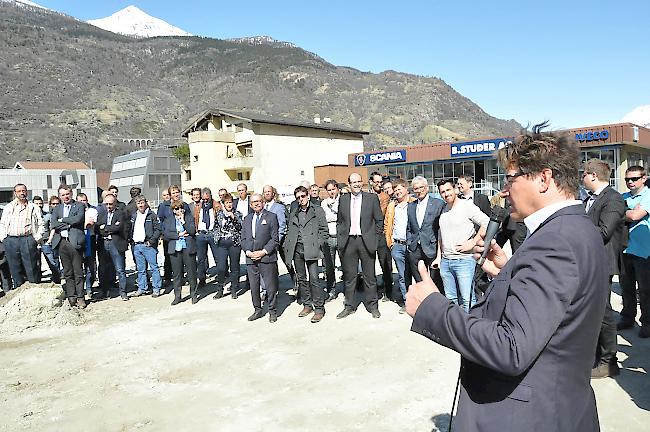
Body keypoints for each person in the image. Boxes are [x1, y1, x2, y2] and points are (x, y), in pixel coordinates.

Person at [406, 123, 609, 431]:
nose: (504, 189)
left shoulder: (556, 241)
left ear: (544, 179)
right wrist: (508, 272)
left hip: (531, 415)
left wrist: (432, 308)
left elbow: (511, 348)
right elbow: (560, 304)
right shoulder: (576, 228)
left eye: (511, 179)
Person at [582, 159, 626, 378]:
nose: (582, 178)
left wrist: (576, 235)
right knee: (593, 310)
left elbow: (603, 233)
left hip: (602, 262)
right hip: (589, 262)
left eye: (584, 174)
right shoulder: (589, 199)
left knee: (604, 312)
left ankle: (610, 362)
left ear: (592, 176)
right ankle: (597, 355)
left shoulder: (613, 199)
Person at [436, 178, 489, 312]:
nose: (446, 194)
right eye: (442, 192)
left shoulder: (466, 206)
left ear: (454, 189)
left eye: (448, 190)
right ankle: (455, 328)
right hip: (446, 262)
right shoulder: (444, 210)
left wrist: (472, 242)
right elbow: (440, 235)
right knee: (450, 299)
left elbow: (486, 222)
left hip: (464, 261)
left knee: (468, 300)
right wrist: (439, 258)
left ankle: (470, 329)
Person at [336, 173, 383, 319]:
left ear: (362, 183)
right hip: (349, 242)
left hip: (366, 242)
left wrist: (374, 239)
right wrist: (341, 237)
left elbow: (379, 221)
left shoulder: (371, 198)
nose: (356, 184)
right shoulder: (343, 200)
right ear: (349, 184)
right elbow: (340, 221)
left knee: (369, 277)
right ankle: (349, 306)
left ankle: (372, 306)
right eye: (353, 182)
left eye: (358, 181)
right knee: (350, 277)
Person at [284, 186, 329, 323]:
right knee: (302, 278)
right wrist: (288, 245)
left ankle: (319, 308)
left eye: (303, 196)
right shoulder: (294, 212)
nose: (301, 199)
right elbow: (290, 230)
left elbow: (324, 230)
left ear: (308, 196)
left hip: (311, 248)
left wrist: (317, 243)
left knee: (314, 279)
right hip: (297, 249)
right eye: (298, 197)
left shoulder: (317, 210)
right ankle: (307, 304)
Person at [617, 165, 650, 338]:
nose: (630, 182)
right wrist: (628, 211)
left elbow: (636, 216)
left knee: (645, 290)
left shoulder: (648, 196)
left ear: (644, 179)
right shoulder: (623, 197)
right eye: (627, 179)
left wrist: (622, 212)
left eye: (634, 179)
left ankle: (647, 323)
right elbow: (623, 214)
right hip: (624, 249)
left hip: (644, 251)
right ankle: (627, 318)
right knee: (626, 287)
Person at [241, 193, 280, 322]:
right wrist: (247, 251)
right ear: (250, 205)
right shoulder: (247, 219)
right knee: (254, 286)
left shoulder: (271, 217)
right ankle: (257, 309)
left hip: (266, 257)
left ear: (263, 202)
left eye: (258, 201)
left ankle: (272, 311)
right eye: (253, 202)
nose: (256, 203)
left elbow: (275, 239)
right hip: (251, 258)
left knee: (270, 286)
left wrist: (263, 252)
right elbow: (244, 238)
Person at [0, 183, 44, 287]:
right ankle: (19, 291)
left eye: (23, 191)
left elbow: (41, 223)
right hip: (11, 240)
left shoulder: (33, 207)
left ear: (27, 192)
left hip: (28, 239)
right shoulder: (9, 207)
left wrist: (36, 238)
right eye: (19, 191)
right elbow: (2, 224)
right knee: (15, 268)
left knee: (31, 268)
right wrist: (4, 239)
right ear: (15, 193)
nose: (22, 193)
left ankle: (33, 290)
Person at [406, 176, 445, 291]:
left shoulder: (438, 204)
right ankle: (425, 303)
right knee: (420, 281)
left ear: (427, 188)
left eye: (421, 187)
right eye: (416, 188)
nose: (419, 191)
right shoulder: (411, 206)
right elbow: (409, 227)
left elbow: (440, 228)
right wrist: (410, 243)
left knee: (435, 281)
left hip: (432, 248)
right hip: (415, 249)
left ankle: (438, 305)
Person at [50, 185, 86, 307]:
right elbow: (54, 224)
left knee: (78, 271)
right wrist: (68, 223)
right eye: (63, 195)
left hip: (75, 242)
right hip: (62, 242)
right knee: (67, 272)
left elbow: (79, 219)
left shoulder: (79, 205)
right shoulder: (57, 208)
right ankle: (72, 296)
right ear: (60, 196)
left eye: (67, 194)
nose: (65, 196)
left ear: (71, 194)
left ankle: (81, 297)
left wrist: (63, 220)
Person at [384, 178, 414, 313]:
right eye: (395, 190)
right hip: (397, 246)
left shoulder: (414, 203)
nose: (397, 192)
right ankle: (407, 302)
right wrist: (390, 244)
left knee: (418, 274)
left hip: (412, 246)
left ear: (406, 189)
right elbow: (387, 226)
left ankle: (421, 302)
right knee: (402, 276)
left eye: (399, 189)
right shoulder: (392, 206)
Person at [163, 199, 198, 305]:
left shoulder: (188, 217)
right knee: (177, 274)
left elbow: (192, 231)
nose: (179, 211)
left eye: (181, 208)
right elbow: (166, 234)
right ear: (173, 210)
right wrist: (179, 235)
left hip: (187, 248)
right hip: (175, 249)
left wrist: (183, 221)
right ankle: (177, 296)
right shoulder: (169, 220)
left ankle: (193, 294)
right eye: (177, 209)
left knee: (191, 272)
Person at [97, 194, 130, 300]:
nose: (108, 206)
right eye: (106, 204)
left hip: (115, 243)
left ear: (115, 203)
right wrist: (110, 228)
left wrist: (105, 228)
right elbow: (98, 228)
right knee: (103, 269)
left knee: (120, 269)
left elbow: (119, 227)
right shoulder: (102, 214)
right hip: (104, 243)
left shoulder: (121, 213)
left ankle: (123, 292)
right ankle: (104, 291)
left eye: (110, 204)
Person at [130, 196, 163, 298]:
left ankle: (156, 288)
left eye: (142, 202)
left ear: (146, 203)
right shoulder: (134, 215)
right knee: (140, 269)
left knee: (154, 268)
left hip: (148, 246)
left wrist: (151, 241)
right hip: (137, 245)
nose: (140, 205)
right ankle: (142, 288)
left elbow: (158, 229)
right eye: (138, 203)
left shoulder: (152, 215)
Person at [158, 185, 189, 289]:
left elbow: (188, 218)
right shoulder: (164, 206)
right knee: (168, 257)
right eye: (173, 193)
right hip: (169, 236)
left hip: (183, 236)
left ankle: (182, 277)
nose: (175, 194)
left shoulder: (185, 205)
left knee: (182, 257)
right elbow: (161, 220)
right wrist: (164, 233)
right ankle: (168, 278)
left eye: (177, 192)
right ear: (170, 195)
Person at [369, 171, 394, 301]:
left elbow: (379, 213)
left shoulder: (384, 197)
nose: (379, 184)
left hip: (381, 234)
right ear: (371, 182)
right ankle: (373, 290)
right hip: (368, 234)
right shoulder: (366, 195)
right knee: (369, 264)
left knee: (385, 263)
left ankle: (388, 290)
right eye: (376, 182)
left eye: (380, 182)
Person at [213, 194, 243, 299]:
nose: (229, 204)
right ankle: (220, 289)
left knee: (234, 267)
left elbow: (241, 226)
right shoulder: (219, 214)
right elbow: (216, 227)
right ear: (223, 204)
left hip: (234, 243)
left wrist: (233, 217)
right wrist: (217, 238)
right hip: (222, 243)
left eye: (230, 202)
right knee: (221, 267)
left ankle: (234, 289)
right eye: (227, 202)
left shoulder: (238, 214)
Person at [195, 187, 221, 287]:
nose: (205, 200)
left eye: (207, 198)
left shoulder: (216, 205)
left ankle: (221, 276)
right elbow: (196, 218)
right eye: (204, 199)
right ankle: (202, 279)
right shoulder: (198, 206)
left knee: (217, 257)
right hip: (201, 234)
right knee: (201, 259)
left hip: (212, 233)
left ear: (210, 196)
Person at [321, 180, 341, 301]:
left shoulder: (343, 201)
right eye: (329, 190)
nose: (331, 192)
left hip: (340, 236)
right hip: (329, 237)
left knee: (346, 265)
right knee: (329, 266)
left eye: (333, 189)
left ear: (337, 188)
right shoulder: (324, 203)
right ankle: (331, 290)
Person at [77, 193, 98, 298]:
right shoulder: (74, 211)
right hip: (77, 240)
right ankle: (81, 289)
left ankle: (89, 287)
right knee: (78, 266)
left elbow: (89, 223)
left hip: (90, 239)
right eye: (79, 201)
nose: (82, 203)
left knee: (90, 266)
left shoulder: (92, 210)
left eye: (84, 200)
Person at [38, 196, 62, 284]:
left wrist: (50, 240)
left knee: (55, 260)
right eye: (53, 204)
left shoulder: (54, 215)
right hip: (43, 241)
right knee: (47, 262)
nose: (55, 206)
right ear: (50, 205)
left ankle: (58, 279)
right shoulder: (46, 216)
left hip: (54, 240)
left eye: (57, 204)